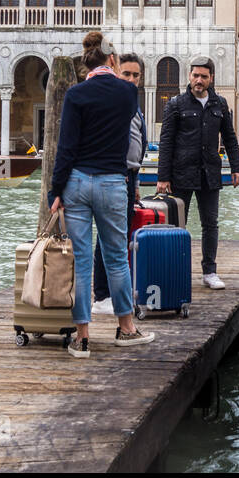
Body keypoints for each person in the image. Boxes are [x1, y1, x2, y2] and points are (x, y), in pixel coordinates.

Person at [48, 31, 154, 359]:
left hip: (77, 182)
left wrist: (56, 190)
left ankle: (81, 338)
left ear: (86, 61)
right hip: (112, 183)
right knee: (116, 259)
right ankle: (126, 329)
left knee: (81, 262)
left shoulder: (76, 95)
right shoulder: (127, 94)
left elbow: (65, 148)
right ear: (112, 60)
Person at [155, 56, 239, 290]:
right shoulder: (176, 104)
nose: (199, 80)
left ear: (211, 78)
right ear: (189, 77)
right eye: (195, 75)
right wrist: (163, 177)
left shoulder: (220, 104)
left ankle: (209, 271)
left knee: (210, 223)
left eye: (204, 76)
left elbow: (230, 138)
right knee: (177, 225)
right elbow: (166, 142)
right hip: (181, 173)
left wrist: (236, 168)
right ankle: (175, 270)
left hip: (209, 173)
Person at [92, 53, 147, 313]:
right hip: (115, 175)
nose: (131, 79)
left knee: (119, 238)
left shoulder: (133, 103)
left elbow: (137, 142)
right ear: (117, 73)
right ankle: (102, 295)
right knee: (108, 237)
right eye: (127, 74)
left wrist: (135, 183)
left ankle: (110, 294)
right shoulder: (115, 102)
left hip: (129, 176)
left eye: (136, 75)